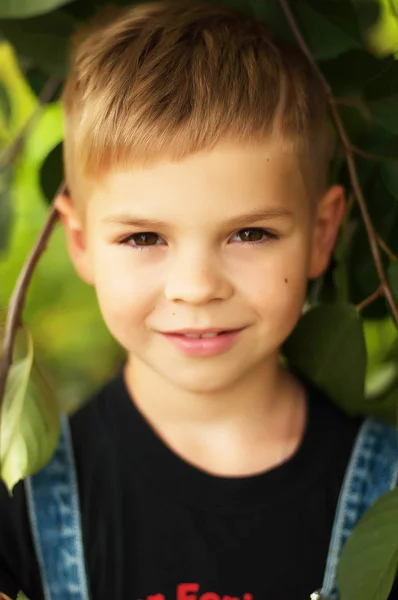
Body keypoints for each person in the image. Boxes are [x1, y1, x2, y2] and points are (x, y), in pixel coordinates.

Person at [0, 1, 397, 599]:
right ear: (81, 243)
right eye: (143, 237)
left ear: (321, 235)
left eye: (250, 233)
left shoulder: (387, 492)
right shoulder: (23, 514)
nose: (196, 286)